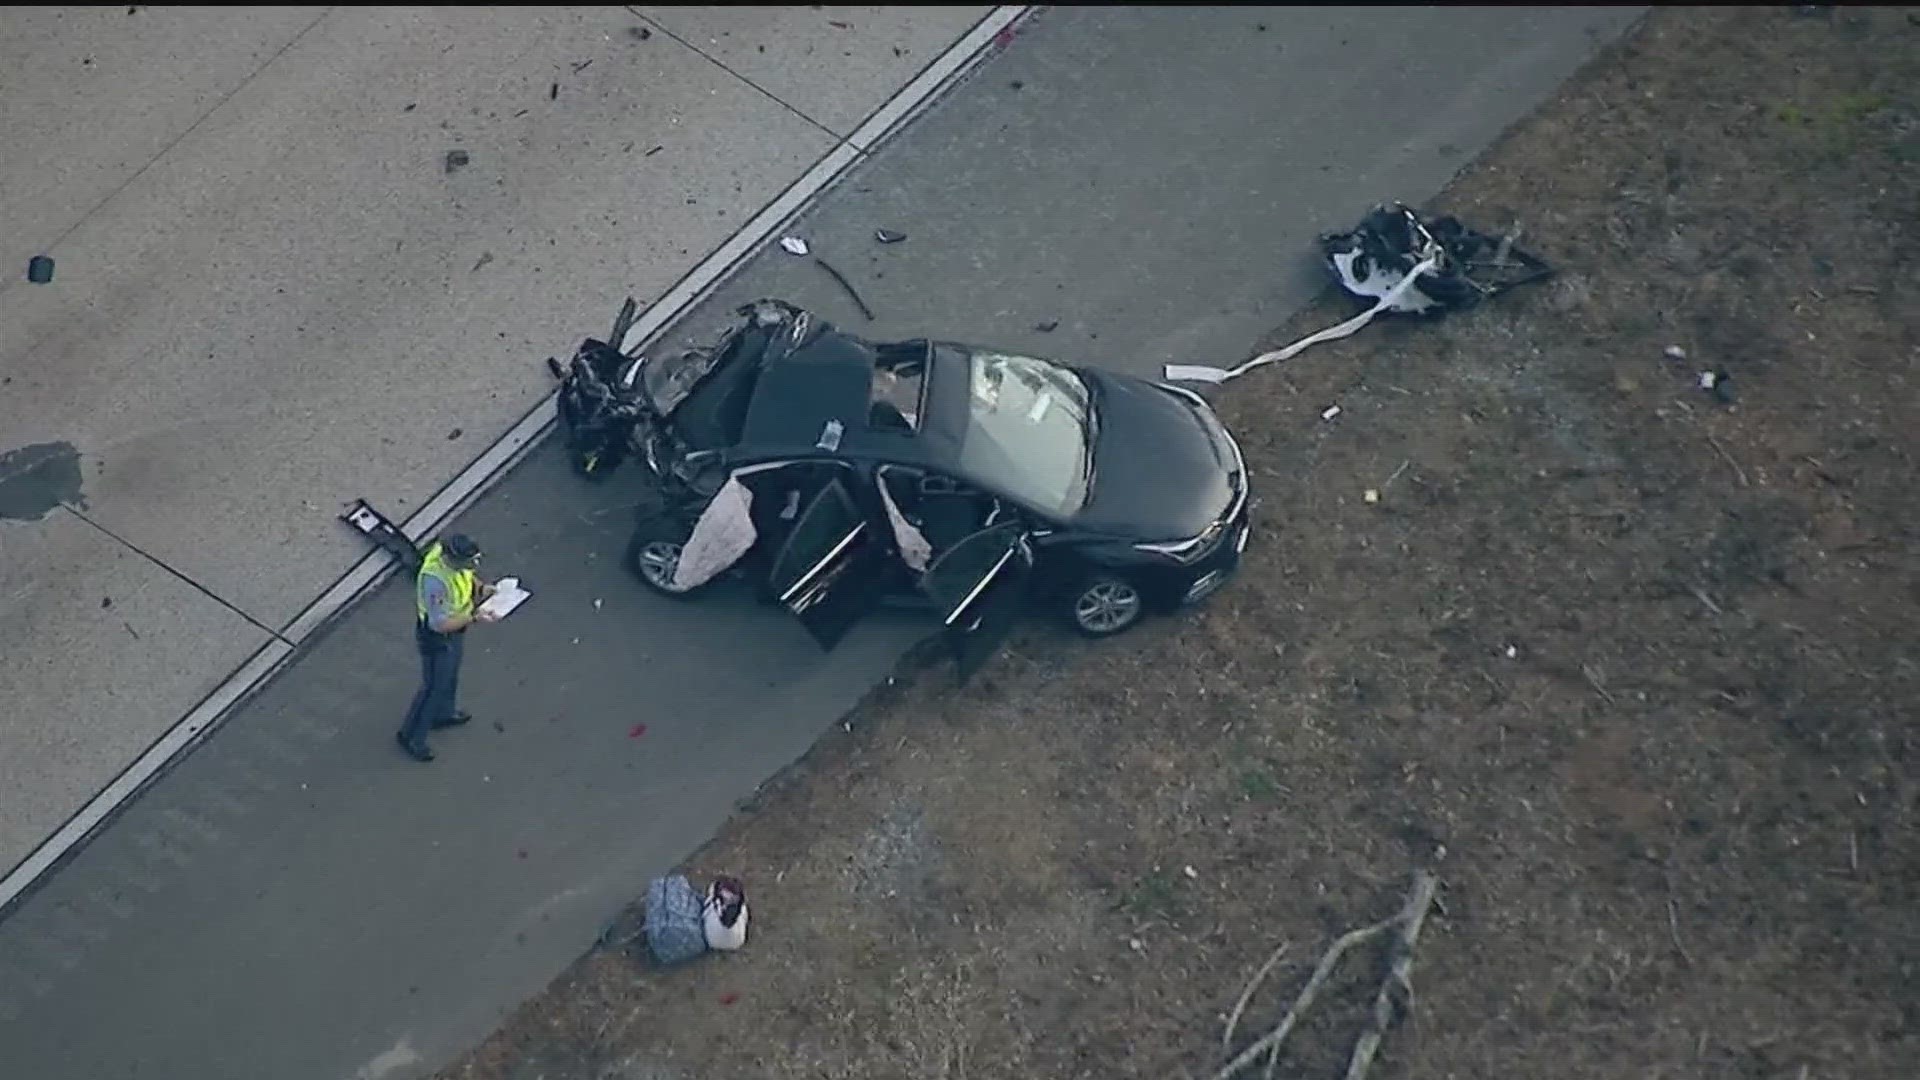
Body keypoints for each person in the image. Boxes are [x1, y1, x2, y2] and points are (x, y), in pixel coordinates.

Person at [396, 533, 497, 762]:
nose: (474, 565)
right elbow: (439, 624)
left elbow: (468, 576)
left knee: (449, 677)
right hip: (437, 639)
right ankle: (411, 736)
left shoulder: (455, 561)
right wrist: (474, 617)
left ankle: (444, 713)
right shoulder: (436, 581)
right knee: (433, 687)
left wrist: (481, 590)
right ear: (453, 559)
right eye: (470, 561)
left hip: (455, 631)